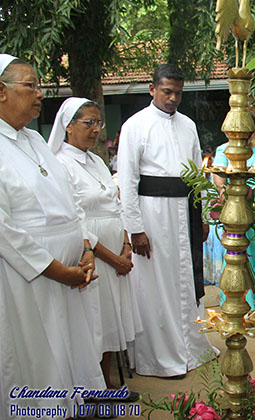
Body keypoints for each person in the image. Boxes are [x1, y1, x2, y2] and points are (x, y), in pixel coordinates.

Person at [0, 54, 105, 417]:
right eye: (30, 86)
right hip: (28, 278)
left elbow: (70, 200)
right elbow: (4, 228)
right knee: (38, 355)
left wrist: (87, 247)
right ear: (1, 91)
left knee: (72, 350)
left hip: (72, 270)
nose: (40, 94)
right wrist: (53, 268)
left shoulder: (36, 140)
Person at [117, 64, 215, 378]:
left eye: (178, 93)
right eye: (167, 91)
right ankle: (159, 357)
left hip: (185, 212)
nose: (173, 98)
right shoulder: (135, 125)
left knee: (185, 278)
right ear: (152, 89)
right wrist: (135, 229)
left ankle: (190, 348)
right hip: (152, 214)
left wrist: (202, 215)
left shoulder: (188, 125)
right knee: (156, 283)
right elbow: (128, 179)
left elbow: (198, 175)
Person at [49, 97, 144, 395]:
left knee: (109, 320)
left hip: (116, 250)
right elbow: (78, 219)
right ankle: (96, 389)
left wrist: (126, 243)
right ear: (68, 127)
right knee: (94, 323)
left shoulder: (97, 161)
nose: (95, 130)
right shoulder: (61, 164)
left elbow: (116, 205)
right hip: (93, 253)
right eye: (88, 123)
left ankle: (108, 382)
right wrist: (112, 258)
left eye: (98, 123)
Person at [213, 120, 255, 309]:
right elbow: (219, 178)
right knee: (237, 249)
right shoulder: (223, 150)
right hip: (235, 208)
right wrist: (230, 194)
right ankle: (237, 296)